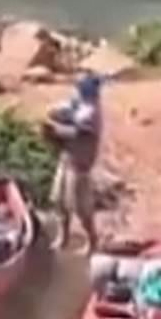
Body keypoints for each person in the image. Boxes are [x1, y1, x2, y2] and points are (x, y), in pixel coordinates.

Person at [46, 73, 104, 253]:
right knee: (58, 201)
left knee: (80, 207)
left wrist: (55, 129)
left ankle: (92, 241)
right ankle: (63, 237)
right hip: (67, 159)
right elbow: (55, 111)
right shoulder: (79, 104)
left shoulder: (92, 111)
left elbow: (78, 133)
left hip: (80, 164)